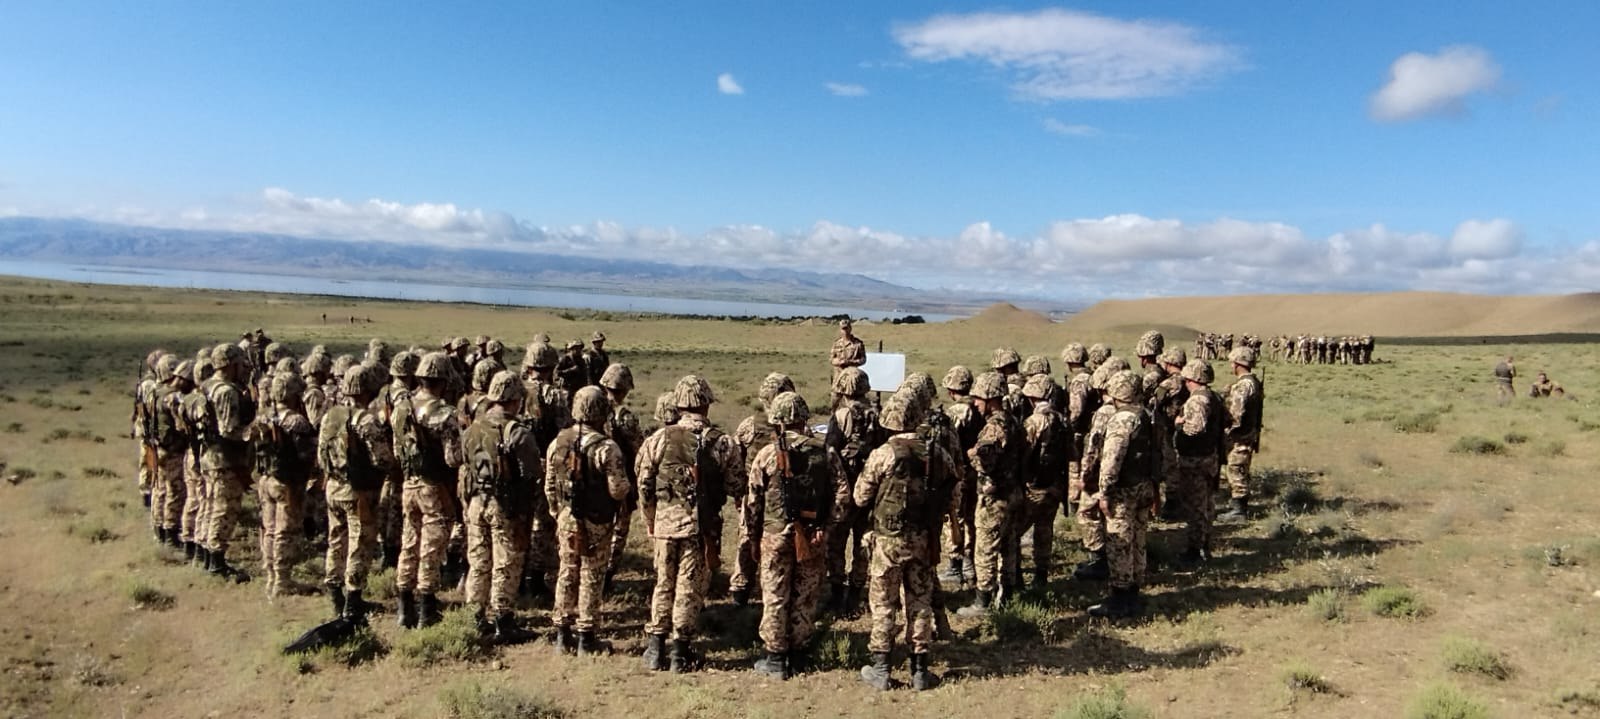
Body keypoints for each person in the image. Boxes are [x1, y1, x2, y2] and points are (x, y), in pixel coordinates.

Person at [636, 375, 743, 673]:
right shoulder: (722, 442)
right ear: (706, 404)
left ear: (679, 405)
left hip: (665, 524)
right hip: (702, 527)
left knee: (663, 584)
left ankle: (655, 648)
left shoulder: (657, 439)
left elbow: (644, 484)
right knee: (688, 589)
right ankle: (680, 654)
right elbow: (737, 485)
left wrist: (650, 520)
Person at [853, 389, 954, 691]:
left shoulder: (884, 453)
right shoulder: (937, 452)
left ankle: (881, 668)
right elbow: (953, 490)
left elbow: (860, 497)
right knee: (920, 602)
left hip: (887, 542)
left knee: (883, 603)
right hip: (923, 539)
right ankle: (920, 671)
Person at [748, 391, 847, 679]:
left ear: (777, 421)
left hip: (775, 535)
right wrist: (826, 528)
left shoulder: (766, 455)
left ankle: (776, 657)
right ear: (804, 419)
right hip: (813, 535)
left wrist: (754, 536)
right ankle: (800, 652)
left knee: (775, 593)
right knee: (805, 594)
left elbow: (753, 501)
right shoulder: (825, 452)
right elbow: (843, 495)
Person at [545, 386, 631, 655]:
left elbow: (549, 485)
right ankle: (586, 635)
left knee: (567, 571)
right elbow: (618, 488)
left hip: (566, 517)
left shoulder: (558, 442)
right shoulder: (607, 448)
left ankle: (561, 632)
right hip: (597, 520)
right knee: (592, 574)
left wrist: (557, 512)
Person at [459, 370, 543, 643]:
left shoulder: (473, 429)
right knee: (506, 561)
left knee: (479, 561)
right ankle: (503, 621)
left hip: (475, 502)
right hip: (504, 505)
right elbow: (531, 474)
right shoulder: (518, 433)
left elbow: (463, 465)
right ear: (516, 399)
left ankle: (474, 616)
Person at [392, 352, 464, 629]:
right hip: (434, 486)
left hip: (409, 483)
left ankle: (404, 605)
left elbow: (399, 450)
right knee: (432, 547)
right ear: (443, 382)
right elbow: (452, 459)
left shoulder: (402, 408)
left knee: (409, 541)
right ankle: (426, 607)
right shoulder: (445, 414)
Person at [318, 364, 393, 624]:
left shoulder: (331, 415)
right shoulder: (365, 419)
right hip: (357, 492)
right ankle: (353, 601)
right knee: (360, 544)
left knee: (336, 539)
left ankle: (334, 593)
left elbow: (321, 453)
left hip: (333, 487)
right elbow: (382, 459)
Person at [1085, 370, 1156, 618]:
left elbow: (1111, 459)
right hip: (1144, 485)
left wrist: (1104, 491)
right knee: (1138, 539)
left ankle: (1120, 597)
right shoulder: (1146, 415)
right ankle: (1134, 593)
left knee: (1119, 541)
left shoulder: (1121, 419)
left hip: (1123, 491)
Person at [957, 371, 1022, 617]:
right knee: (1009, 544)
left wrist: (972, 454)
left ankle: (982, 600)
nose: (974, 403)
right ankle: (1008, 591)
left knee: (985, 546)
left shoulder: (993, 427)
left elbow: (985, 460)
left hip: (994, 496)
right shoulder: (1012, 420)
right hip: (1013, 491)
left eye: (978, 398)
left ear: (988, 397)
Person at [731, 372, 795, 607]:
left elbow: (735, 459)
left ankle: (741, 588)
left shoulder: (749, 425)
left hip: (753, 493)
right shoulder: (795, 427)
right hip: (784, 497)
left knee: (747, 538)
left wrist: (740, 493)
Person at [254, 371, 317, 599]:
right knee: (285, 532)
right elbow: (309, 454)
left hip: (266, 479)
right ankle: (283, 580)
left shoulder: (263, 417)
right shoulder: (296, 421)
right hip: (287, 483)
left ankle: (271, 575)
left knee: (268, 529)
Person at [200, 343, 257, 582]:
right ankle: (217, 561)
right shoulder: (226, 392)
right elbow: (229, 430)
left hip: (209, 455)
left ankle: (205, 554)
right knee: (225, 509)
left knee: (211, 505)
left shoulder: (207, 386)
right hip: (224, 458)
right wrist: (254, 430)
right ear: (231, 365)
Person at [824, 366, 878, 615]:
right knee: (863, 543)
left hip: (843, 490)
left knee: (836, 542)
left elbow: (830, 451)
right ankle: (855, 595)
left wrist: (839, 487)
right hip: (870, 490)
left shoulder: (840, 415)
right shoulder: (878, 415)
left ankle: (836, 594)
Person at [1018, 374, 1069, 589]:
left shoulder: (1034, 421)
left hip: (1034, 486)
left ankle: (1015, 578)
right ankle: (1041, 576)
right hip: (1056, 484)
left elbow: (1024, 452)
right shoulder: (1062, 420)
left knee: (1014, 532)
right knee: (1045, 530)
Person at [1171, 360, 1223, 565]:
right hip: (1209, 457)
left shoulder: (1197, 401)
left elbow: (1196, 429)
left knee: (1196, 505)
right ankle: (1203, 543)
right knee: (1205, 503)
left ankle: (1196, 549)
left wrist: (1179, 425)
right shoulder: (1213, 396)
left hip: (1195, 461)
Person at [599, 364, 645, 595]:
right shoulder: (625, 417)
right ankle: (607, 575)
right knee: (619, 528)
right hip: (620, 477)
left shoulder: (589, 409)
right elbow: (639, 448)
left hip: (594, 479)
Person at [937, 366, 980, 590]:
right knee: (971, 519)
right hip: (974, 472)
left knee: (954, 519)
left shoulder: (957, 412)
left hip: (958, 473)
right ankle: (970, 562)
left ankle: (956, 564)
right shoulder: (979, 407)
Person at [1218, 347, 1264, 522]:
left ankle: (1239, 511)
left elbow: (1236, 414)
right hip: (1248, 434)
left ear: (1237, 364)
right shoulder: (1254, 383)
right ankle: (1237, 507)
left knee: (1236, 470)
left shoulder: (1243, 386)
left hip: (1239, 437)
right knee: (1241, 470)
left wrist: (1225, 428)